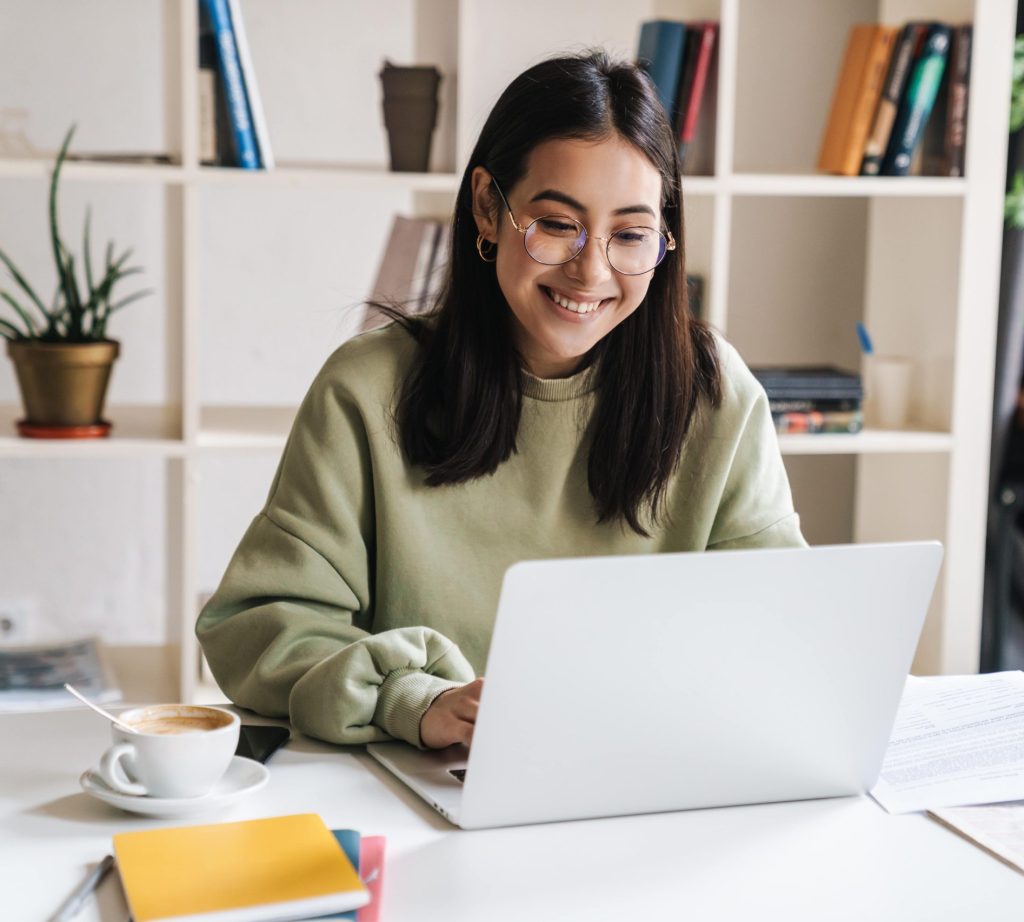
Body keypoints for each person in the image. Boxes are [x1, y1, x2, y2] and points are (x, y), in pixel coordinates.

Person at [197, 50, 806, 753]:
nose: (591, 270)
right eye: (556, 223)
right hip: (426, 782)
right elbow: (259, 625)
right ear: (489, 207)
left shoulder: (715, 396)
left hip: (649, 775)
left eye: (631, 235)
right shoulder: (367, 391)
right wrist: (409, 698)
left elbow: (779, 626)